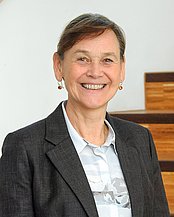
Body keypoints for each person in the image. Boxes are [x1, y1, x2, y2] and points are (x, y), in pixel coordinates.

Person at [0, 13, 170, 217]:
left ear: (121, 69)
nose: (95, 72)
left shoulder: (140, 140)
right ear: (59, 66)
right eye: (82, 59)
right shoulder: (23, 148)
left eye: (107, 60)